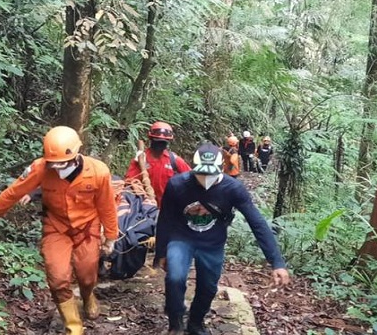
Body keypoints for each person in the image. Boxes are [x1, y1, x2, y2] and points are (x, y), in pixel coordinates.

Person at [0, 126, 118, 335]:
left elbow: (107, 206)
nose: (58, 168)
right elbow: (14, 191)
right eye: (54, 163)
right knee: (58, 278)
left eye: (62, 163)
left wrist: (111, 237)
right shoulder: (40, 168)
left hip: (87, 227)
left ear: (76, 155)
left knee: (87, 275)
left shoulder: (98, 171)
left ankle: (88, 296)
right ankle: (74, 327)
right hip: (56, 227)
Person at [155, 143, 290, 335]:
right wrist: (161, 252)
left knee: (208, 286)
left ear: (221, 169)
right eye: (201, 174)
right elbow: (165, 218)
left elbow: (257, 223)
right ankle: (175, 321)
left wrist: (276, 262)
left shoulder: (233, 189)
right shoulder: (177, 185)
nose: (206, 180)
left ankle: (196, 322)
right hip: (182, 237)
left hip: (212, 242)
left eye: (211, 175)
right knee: (175, 277)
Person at [124, 121, 191, 207]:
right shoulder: (141, 159)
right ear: (151, 139)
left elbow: (192, 179)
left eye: (163, 142)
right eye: (157, 141)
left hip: (169, 207)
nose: (160, 144)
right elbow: (129, 182)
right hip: (145, 207)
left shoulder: (174, 160)